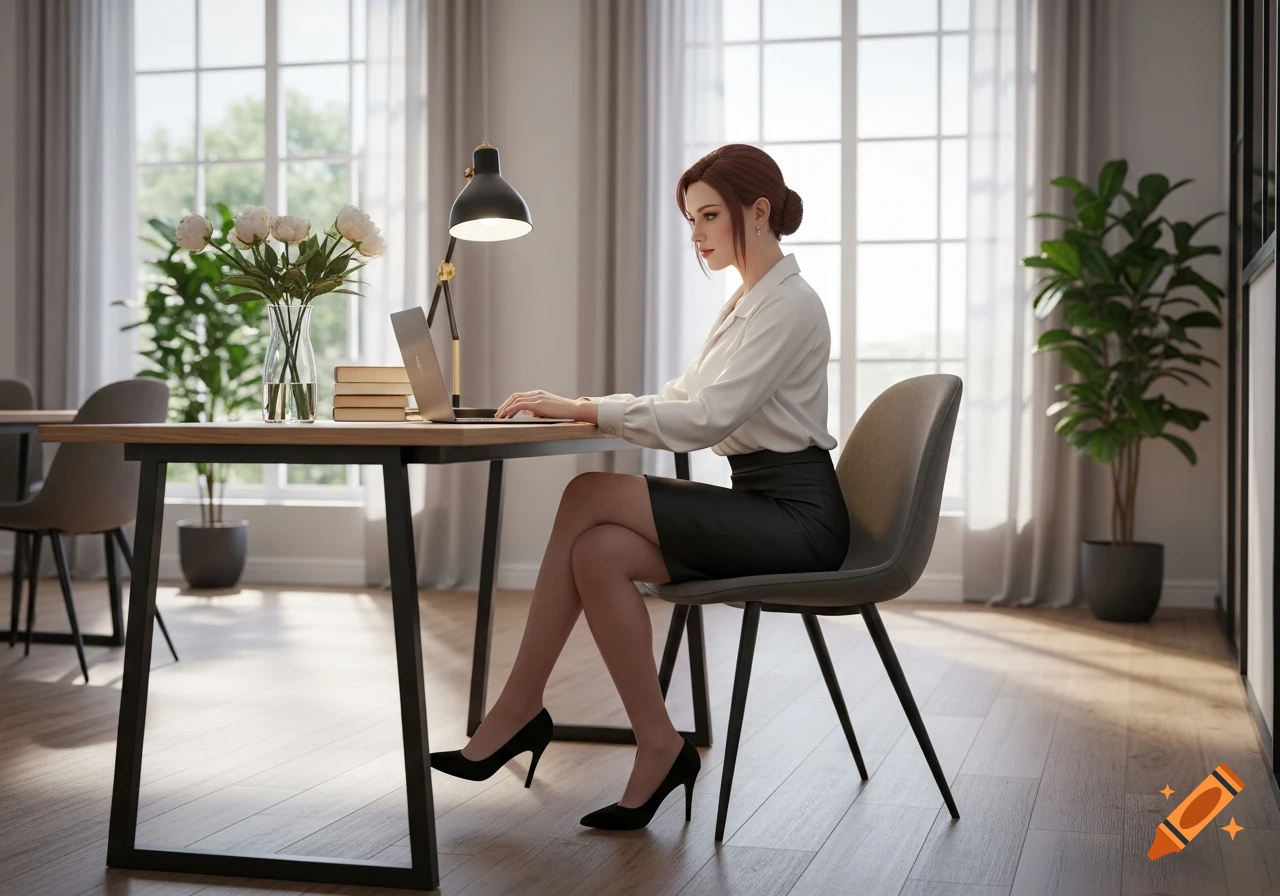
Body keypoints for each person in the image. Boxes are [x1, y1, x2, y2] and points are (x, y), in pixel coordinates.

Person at [429, 143, 849, 831]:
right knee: (597, 553)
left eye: (710, 216)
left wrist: (582, 409)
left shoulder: (790, 305)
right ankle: (659, 743)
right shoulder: (747, 301)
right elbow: (684, 396)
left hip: (797, 518)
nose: (697, 234)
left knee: (586, 495)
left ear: (760, 209)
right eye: (691, 219)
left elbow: (707, 418)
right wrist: (586, 402)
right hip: (761, 502)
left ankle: (517, 709)